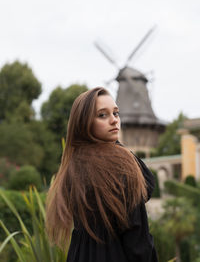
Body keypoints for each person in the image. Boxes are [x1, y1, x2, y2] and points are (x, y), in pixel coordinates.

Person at [46, 87, 158, 262]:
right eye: (102, 115)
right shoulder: (121, 167)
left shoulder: (74, 165)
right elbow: (137, 239)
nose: (114, 120)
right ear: (85, 123)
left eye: (116, 113)